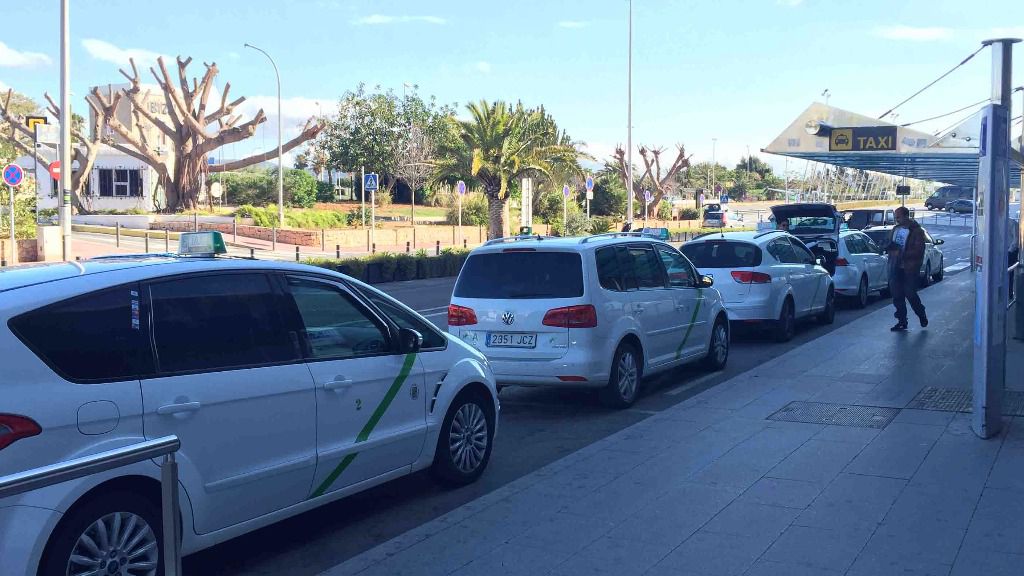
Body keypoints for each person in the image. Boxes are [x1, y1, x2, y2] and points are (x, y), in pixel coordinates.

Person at [887, 206, 928, 331]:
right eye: (896, 217)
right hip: (896, 266)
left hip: (910, 268)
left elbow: (919, 251)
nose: (896, 219)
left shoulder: (917, 231)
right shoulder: (895, 229)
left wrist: (901, 254)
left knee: (910, 293)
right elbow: (891, 243)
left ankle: (921, 314)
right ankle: (902, 321)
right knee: (897, 294)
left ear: (906, 216)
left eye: (898, 217)